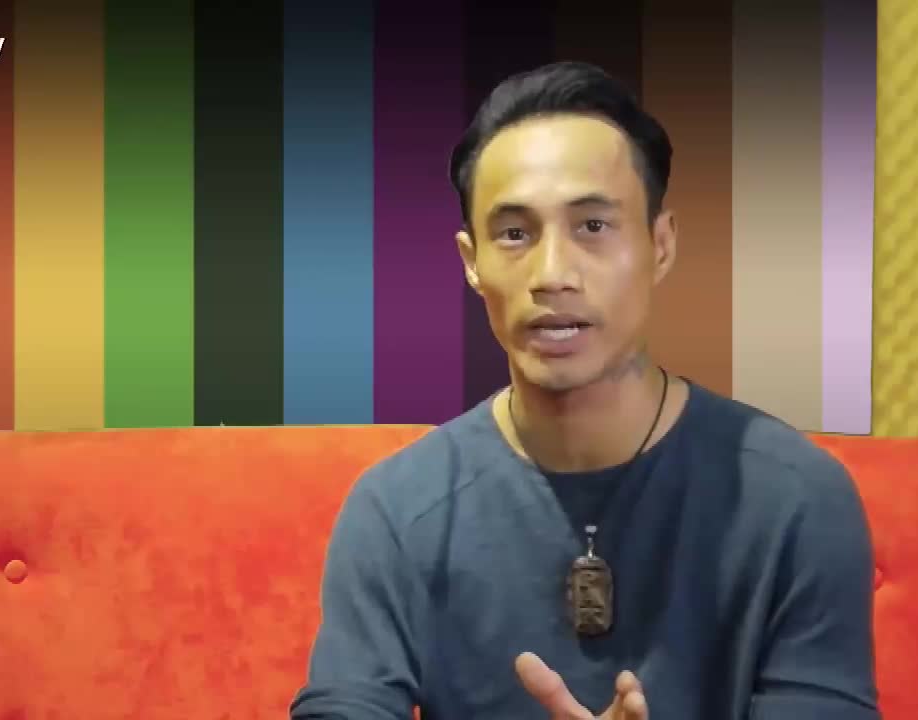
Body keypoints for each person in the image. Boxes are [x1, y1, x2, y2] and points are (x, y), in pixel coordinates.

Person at [290, 61, 879, 720]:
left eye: (593, 227)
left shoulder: (796, 500)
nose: (553, 274)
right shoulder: (396, 512)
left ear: (660, 245)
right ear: (472, 263)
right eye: (515, 234)